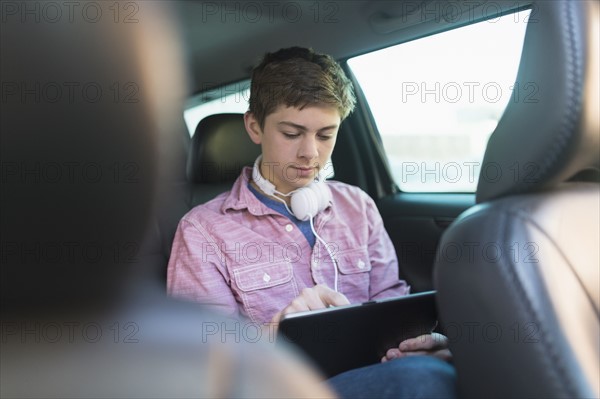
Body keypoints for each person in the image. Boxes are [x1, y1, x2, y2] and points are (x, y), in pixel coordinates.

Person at [167, 46, 456, 398]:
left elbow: (389, 300)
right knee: (420, 380)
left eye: (325, 135)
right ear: (254, 126)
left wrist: (420, 342)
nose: (310, 153)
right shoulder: (202, 230)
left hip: (375, 373)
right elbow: (203, 363)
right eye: (292, 133)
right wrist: (278, 331)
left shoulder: (357, 206)